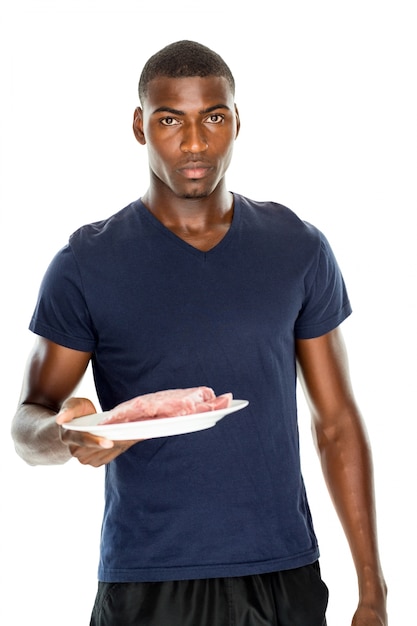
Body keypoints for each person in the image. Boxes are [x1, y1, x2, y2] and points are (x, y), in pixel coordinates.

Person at [11, 40, 387, 625]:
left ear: (237, 120)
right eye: (170, 120)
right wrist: (68, 436)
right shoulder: (86, 263)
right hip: (147, 580)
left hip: (282, 576)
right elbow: (28, 420)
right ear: (140, 126)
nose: (194, 143)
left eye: (213, 117)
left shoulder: (298, 248)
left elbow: (336, 423)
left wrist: (372, 591)